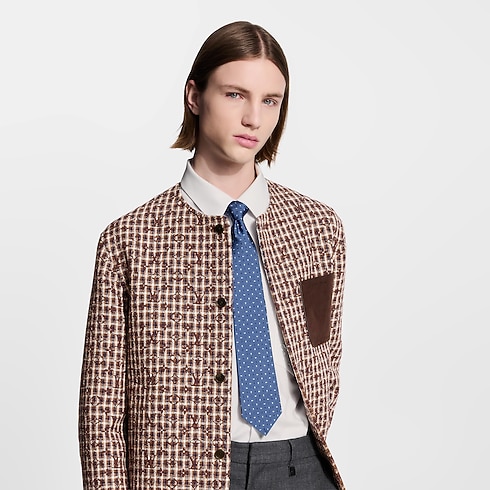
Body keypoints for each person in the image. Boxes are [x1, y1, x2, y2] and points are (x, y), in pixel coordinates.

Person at [78, 20, 346, 490]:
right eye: (234, 95)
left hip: (300, 466)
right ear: (195, 96)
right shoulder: (131, 240)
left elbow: (324, 357)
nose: (254, 119)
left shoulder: (318, 228)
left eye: (270, 101)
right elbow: (101, 412)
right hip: (178, 476)